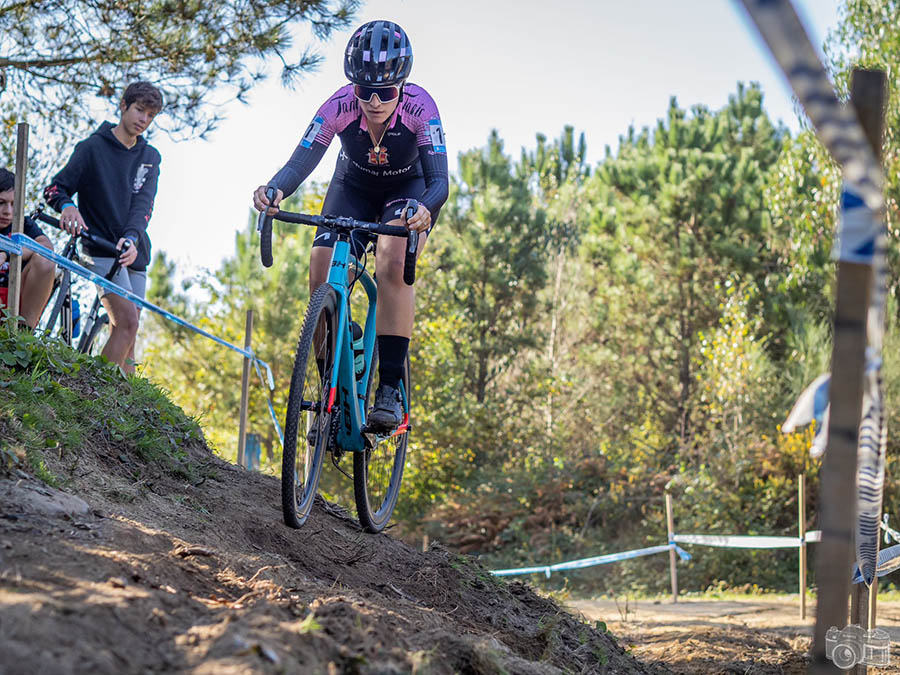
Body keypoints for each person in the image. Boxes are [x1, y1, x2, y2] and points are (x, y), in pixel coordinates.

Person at [253, 20, 449, 432]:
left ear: (403, 86)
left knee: (392, 260)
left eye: (386, 92)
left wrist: (426, 209)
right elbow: (299, 162)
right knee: (321, 268)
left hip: (407, 189)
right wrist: (274, 190)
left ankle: (390, 390)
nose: (375, 101)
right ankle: (333, 385)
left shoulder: (421, 107)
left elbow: (439, 182)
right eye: (365, 91)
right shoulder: (338, 106)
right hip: (353, 186)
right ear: (352, 86)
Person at [43, 81, 163, 373]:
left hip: (134, 252)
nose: (143, 120)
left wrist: (132, 238)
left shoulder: (150, 157)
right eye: (138, 110)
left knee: (129, 333)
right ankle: (99, 391)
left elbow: (144, 205)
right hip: (99, 247)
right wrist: (68, 206)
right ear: (123, 106)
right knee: (127, 322)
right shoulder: (91, 148)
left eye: (150, 115)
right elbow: (54, 189)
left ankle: (129, 404)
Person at [0, 169, 56, 328]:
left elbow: (46, 248)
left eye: (13, 204)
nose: (8, 212)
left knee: (46, 260)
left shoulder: (22, 224)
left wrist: (7, 252)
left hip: (15, 300)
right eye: (1, 203)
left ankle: (23, 334)